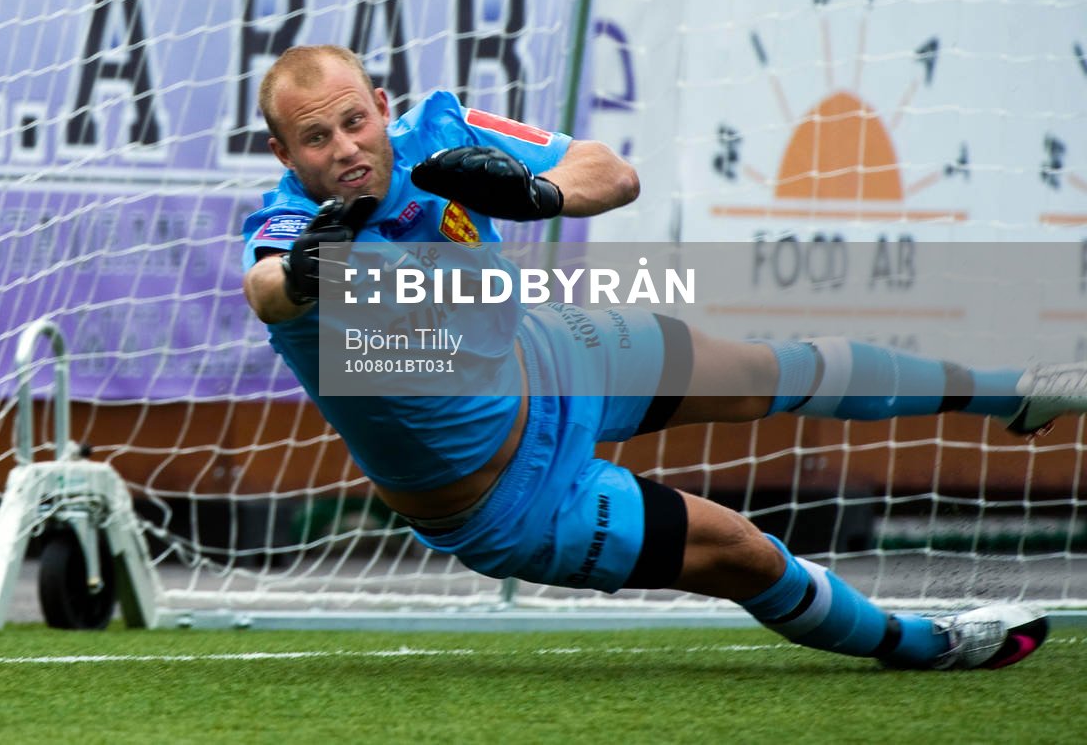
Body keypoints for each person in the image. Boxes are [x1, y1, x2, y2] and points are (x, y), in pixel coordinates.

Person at [240, 44, 1079, 670]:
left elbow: (610, 170)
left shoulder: (440, 129)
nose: (344, 148)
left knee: (773, 370)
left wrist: (540, 193)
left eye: (354, 120)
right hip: (511, 502)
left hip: (550, 358)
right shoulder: (292, 230)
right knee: (743, 551)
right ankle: (925, 643)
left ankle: (1012, 392)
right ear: (284, 155)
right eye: (315, 137)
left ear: (381, 105)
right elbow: (267, 287)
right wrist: (310, 271)